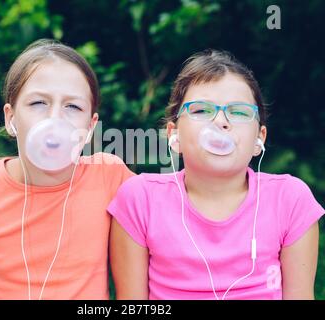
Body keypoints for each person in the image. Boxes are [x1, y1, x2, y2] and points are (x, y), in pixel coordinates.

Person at [108, 50, 324, 300]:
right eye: (201, 110)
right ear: (173, 135)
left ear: (259, 139)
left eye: (240, 112)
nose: (221, 121)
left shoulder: (290, 199)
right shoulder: (140, 199)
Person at [0, 39, 134, 300]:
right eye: (38, 103)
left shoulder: (110, 176)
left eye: (73, 106)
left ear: (91, 126)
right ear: (10, 117)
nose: (55, 119)